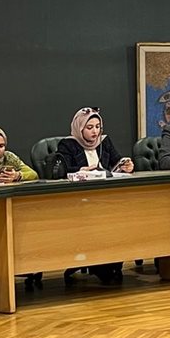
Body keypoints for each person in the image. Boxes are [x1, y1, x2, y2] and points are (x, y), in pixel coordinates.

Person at [58, 109, 133, 284]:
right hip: (79, 201)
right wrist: (80, 170)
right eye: (90, 127)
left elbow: (116, 163)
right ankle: (101, 267)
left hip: (107, 199)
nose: (95, 131)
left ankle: (113, 264)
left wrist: (125, 166)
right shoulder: (67, 145)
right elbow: (61, 171)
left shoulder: (104, 142)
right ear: (80, 128)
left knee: (119, 221)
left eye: (98, 127)